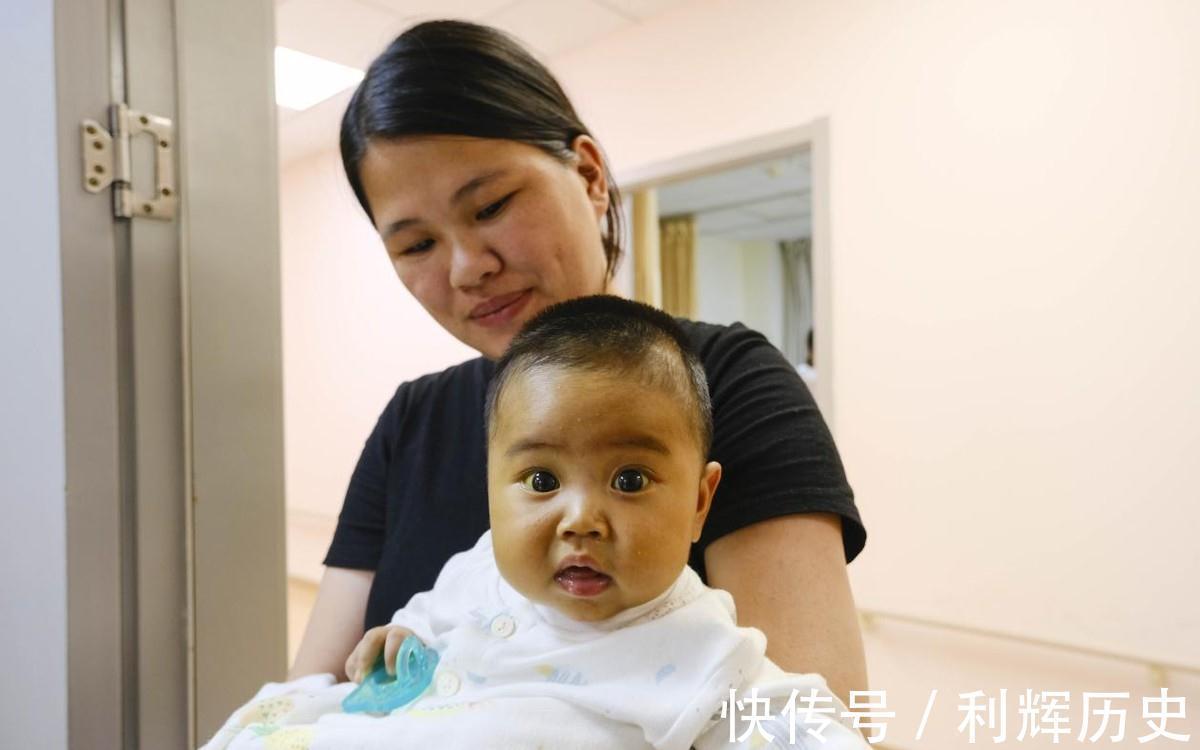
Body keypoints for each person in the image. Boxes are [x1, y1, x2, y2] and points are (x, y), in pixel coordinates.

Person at [291, 18, 868, 704]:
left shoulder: (729, 382)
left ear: (589, 176)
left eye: (492, 205)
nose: (469, 268)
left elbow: (814, 720)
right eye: (416, 246)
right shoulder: (412, 420)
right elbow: (309, 698)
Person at [204, 297, 868, 750]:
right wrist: (400, 635)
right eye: (543, 482)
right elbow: (432, 613)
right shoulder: (481, 565)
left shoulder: (702, 649)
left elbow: (803, 723)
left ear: (700, 501)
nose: (580, 520)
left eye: (630, 481)